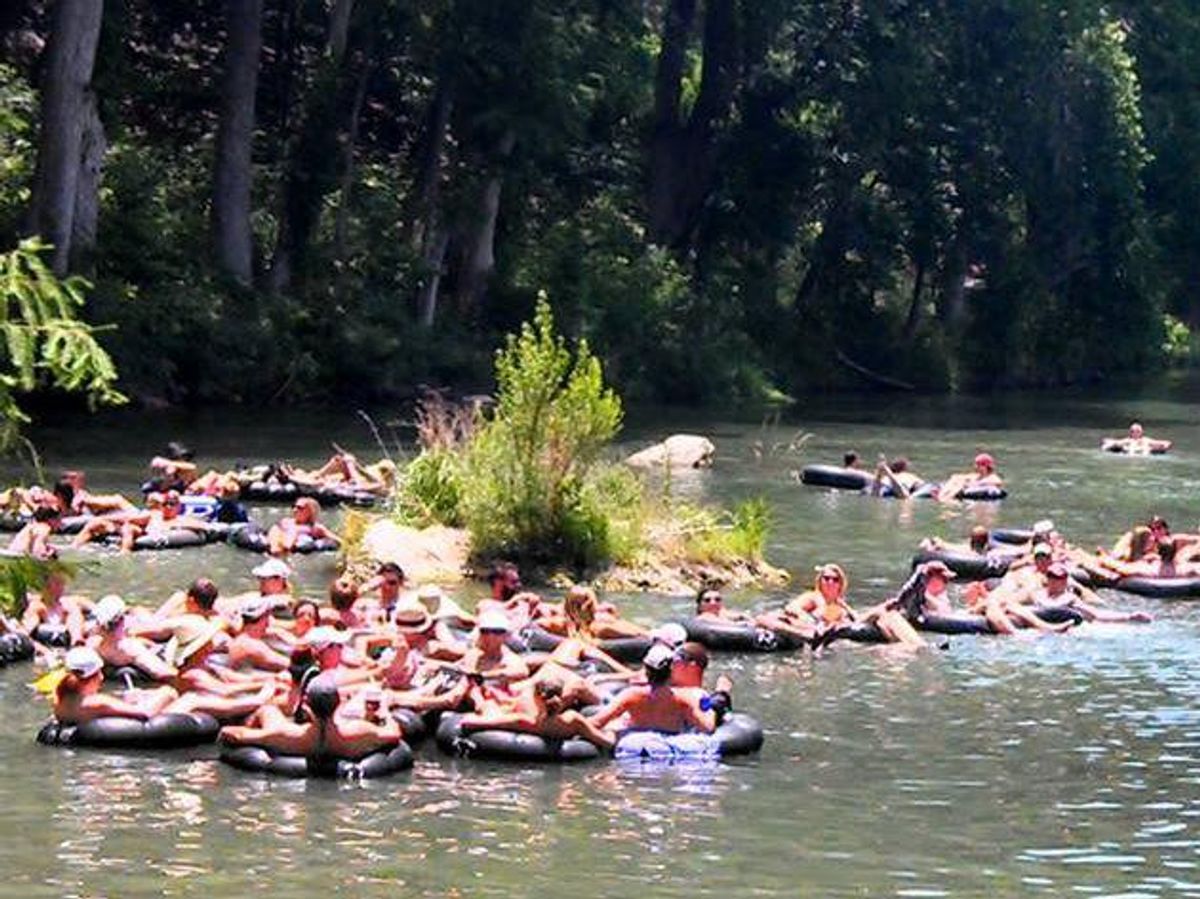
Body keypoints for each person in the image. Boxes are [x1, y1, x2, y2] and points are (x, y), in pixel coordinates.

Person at [219, 675, 402, 760]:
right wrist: (384, 711)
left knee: (267, 710)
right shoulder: (359, 731)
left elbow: (233, 734)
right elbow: (394, 734)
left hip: (300, 743)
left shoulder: (284, 734)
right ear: (338, 704)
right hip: (341, 743)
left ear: (306, 706)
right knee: (269, 712)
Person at [458, 674, 615, 749]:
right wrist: (613, 729)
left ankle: (476, 693)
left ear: (536, 697)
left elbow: (468, 723)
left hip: (524, 724)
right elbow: (607, 742)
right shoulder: (572, 720)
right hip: (559, 730)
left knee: (489, 706)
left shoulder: (524, 720)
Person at [590, 645, 716, 736]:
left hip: (633, 741)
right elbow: (707, 727)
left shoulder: (632, 694)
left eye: (679, 658)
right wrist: (716, 705)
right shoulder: (687, 698)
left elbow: (597, 722)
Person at [49, 647, 177, 725]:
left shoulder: (59, 698)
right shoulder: (97, 703)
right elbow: (144, 713)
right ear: (97, 675)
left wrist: (134, 698)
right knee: (168, 692)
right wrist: (166, 692)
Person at [87, 595, 177, 681]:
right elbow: (163, 672)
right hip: (161, 648)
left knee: (139, 611)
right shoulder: (128, 647)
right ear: (122, 620)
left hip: (140, 637)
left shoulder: (93, 644)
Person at [227, 596, 291, 672]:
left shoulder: (242, 639)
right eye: (268, 615)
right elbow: (290, 665)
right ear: (262, 618)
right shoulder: (252, 645)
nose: (269, 621)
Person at [267, 498, 339, 556]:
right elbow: (274, 530)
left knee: (294, 530)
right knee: (276, 528)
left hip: (292, 545)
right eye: (294, 507)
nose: (295, 510)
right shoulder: (286, 521)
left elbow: (335, 538)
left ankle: (284, 548)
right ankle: (276, 549)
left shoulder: (315, 527)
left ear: (309, 511)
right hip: (280, 541)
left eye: (299, 508)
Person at [937, 452, 1004, 502]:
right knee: (956, 480)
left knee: (961, 485)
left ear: (987, 467)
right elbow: (957, 476)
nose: (976, 467)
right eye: (976, 465)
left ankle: (946, 498)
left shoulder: (992, 477)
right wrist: (958, 479)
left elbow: (998, 482)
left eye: (979, 465)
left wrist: (972, 484)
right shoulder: (975, 476)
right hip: (967, 491)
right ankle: (943, 496)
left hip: (980, 495)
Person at [1102, 422, 1172, 455]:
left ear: (1141, 432)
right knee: (1130, 449)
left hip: (1144, 454)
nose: (1135, 433)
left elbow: (1166, 442)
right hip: (1130, 454)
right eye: (1133, 431)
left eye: (1137, 431)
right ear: (1130, 432)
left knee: (1146, 450)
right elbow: (1110, 441)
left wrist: (1165, 446)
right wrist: (1108, 444)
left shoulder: (1146, 440)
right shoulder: (1128, 440)